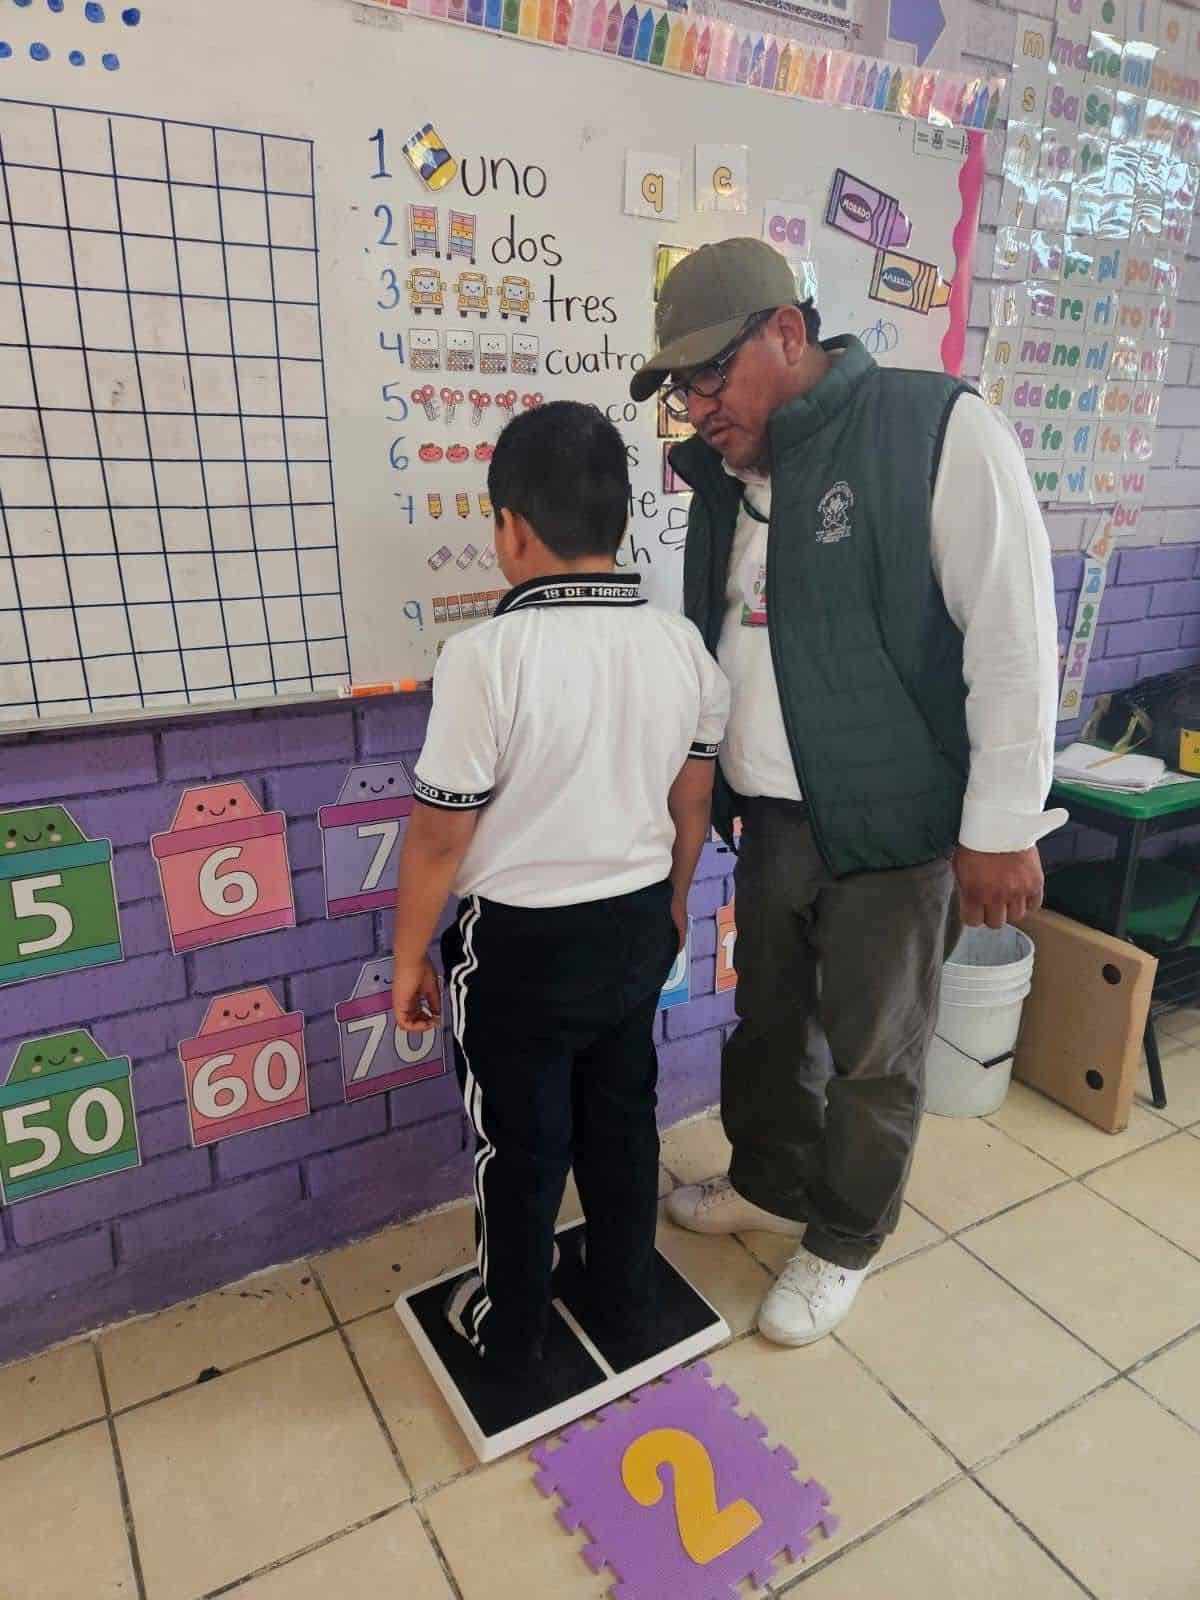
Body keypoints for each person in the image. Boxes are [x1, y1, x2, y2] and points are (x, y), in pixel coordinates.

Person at [630, 237, 1065, 1348]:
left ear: (786, 332)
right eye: (678, 388)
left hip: (895, 821)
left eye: (706, 377)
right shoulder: (730, 476)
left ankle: (843, 1237)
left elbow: (1013, 636)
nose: (694, 407)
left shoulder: (934, 430)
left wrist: (1003, 823)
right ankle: (771, 1183)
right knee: (771, 1026)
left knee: (876, 1052)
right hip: (772, 811)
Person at [391, 401, 730, 1379]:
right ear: (620, 522)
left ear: (511, 528)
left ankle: (512, 1326)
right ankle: (625, 1300)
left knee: (523, 1145)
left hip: (520, 954)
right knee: (623, 1122)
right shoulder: (678, 647)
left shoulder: (484, 659)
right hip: (635, 931)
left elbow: (439, 835)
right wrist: (672, 905)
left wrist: (411, 955)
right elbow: (692, 803)